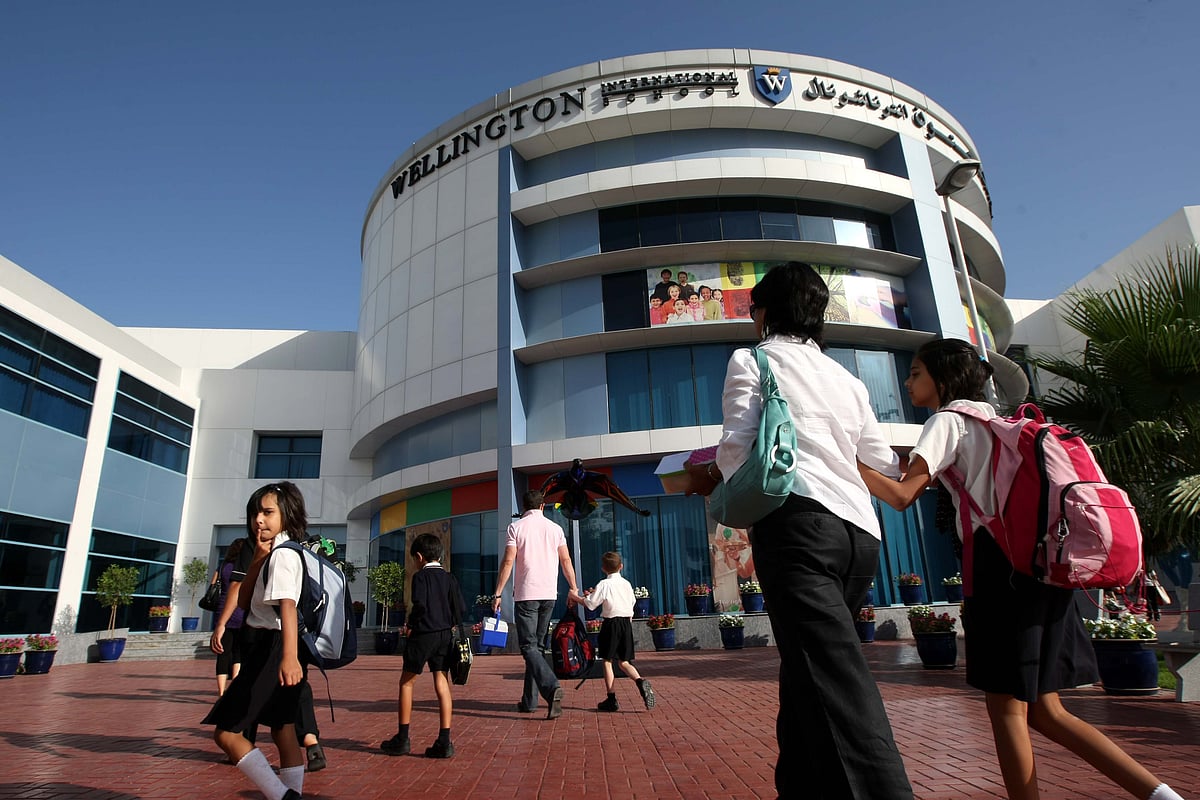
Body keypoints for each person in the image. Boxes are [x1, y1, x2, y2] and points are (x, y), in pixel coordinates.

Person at [858, 337, 1184, 800]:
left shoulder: (946, 421)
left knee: (1007, 710)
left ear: (943, 379)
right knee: (1046, 710)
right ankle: (1158, 794)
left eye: (915, 373)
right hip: (1042, 568)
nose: (907, 382)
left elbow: (901, 494)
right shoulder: (1002, 422)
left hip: (1000, 576)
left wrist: (850, 463)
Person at [683, 261, 913, 799]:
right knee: (806, 669)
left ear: (765, 312)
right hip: (860, 535)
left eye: (755, 309)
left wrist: (707, 479)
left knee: (835, 677)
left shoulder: (753, 359)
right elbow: (879, 461)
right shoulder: (847, 378)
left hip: (798, 528)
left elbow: (739, 449)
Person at [202, 482, 310, 800]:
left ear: (287, 515)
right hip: (278, 646)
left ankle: (282, 796)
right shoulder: (272, 554)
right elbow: (247, 601)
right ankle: (292, 794)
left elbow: (287, 606)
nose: (258, 520)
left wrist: (288, 657)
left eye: (267, 512)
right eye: (255, 513)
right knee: (283, 728)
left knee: (226, 732)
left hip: (274, 647)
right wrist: (256, 562)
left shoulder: (284, 556)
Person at [492, 489, 580, 719]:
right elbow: (566, 560)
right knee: (537, 648)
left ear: (524, 506)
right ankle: (529, 701)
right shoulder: (555, 529)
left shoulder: (516, 528)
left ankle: (551, 688)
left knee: (528, 647)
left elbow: (509, 560)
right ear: (542, 506)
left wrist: (498, 593)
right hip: (549, 594)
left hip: (526, 594)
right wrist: (573, 587)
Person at [381, 533, 465, 758]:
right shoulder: (450, 578)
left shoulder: (420, 578)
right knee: (441, 681)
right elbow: (460, 609)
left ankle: (402, 738)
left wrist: (411, 625)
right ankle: (444, 741)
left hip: (423, 635)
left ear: (419, 557)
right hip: (445, 635)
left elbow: (419, 605)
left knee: (407, 683)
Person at [567, 551, 654, 712]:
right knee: (624, 661)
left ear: (603, 568)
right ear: (621, 566)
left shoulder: (604, 584)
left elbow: (591, 604)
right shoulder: (626, 584)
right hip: (626, 623)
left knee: (607, 661)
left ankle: (611, 698)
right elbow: (632, 602)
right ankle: (640, 681)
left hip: (611, 624)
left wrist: (576, 597)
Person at [213, 537, 250, 697]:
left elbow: (213, 584)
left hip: (223, 612)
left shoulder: (222, 566)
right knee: (238, 652)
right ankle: (235, 685)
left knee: (223, 652)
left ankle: (221, 692)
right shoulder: (244, 568)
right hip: (240, 611)